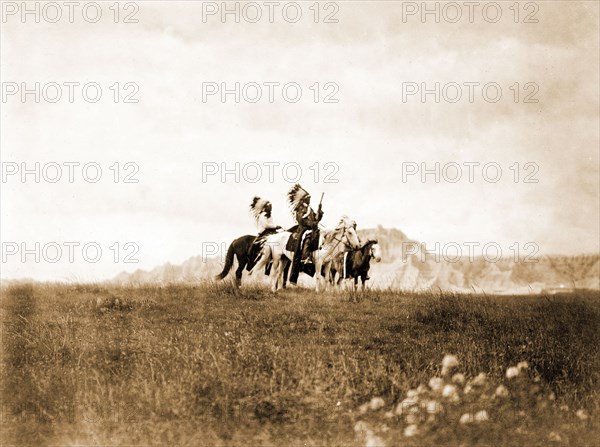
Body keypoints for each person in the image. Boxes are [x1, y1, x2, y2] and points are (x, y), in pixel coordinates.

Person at [287, 184, 323, 285]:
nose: (309, 200)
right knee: (307, 239)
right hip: (303, 229)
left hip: (311, 229)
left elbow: (316, 218)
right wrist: (311, 224)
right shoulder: (300, 209)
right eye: (308, 199)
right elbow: (301, 220)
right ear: (304, 200)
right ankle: (305, 257)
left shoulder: (309, 209)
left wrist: (319, 213)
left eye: (310, 199)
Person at [248, 197, 280, 270]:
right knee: (257, 244)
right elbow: (266, 225)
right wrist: (275, 226)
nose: (271, 207)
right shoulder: (262, 215)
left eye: (271, 206)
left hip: (271, 231)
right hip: (264, 232)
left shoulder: (269, 215)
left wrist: (276, 227)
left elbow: (271, 224)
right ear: (265, 207)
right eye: (269, 206)